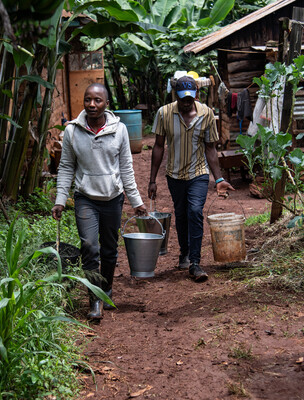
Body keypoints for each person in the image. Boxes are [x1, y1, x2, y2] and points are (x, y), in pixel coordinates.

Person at [52, 83, 147, 320]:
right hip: (86, 198)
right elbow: (66, 167)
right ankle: (94, 299)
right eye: (88, 100)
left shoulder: (120, 130)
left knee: (109, 249)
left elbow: (126, 168)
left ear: (106, 104)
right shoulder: (73, 131)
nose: (92, 105)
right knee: (89, 247)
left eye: (97, 100)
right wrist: (60, 199)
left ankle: (106, 290)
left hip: (112, 198)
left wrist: (136, 201)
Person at [148, 76, 234, 282]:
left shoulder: (207, 114)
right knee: (181, 214)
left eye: (190, 98)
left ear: (196, 94)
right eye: (182, 98)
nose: (186, 102)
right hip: (174, 175)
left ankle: (195, 262)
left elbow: (210, 148)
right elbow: (159, 146)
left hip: (199, 173)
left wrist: (219, 178)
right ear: (176, 95)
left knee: (195, 211)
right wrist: (152, 179)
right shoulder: (164, 113)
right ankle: (184, 253)